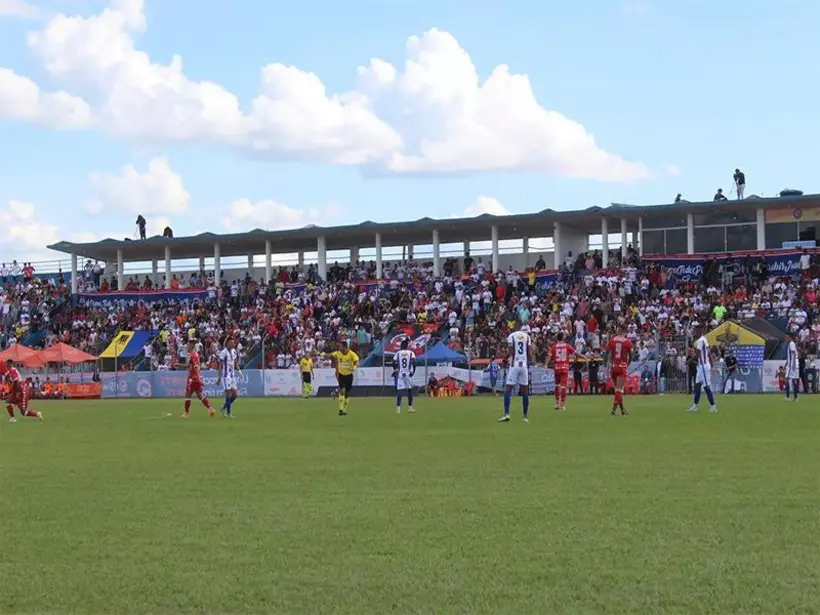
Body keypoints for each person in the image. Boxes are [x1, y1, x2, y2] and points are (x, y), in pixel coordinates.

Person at [498, 325, 532, 422]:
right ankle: (525, 416)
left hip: (514, 365)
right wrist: (527, 361)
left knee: (508, 388)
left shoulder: (512, 336)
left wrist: (505, 359)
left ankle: (506, 414)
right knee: (525, 390)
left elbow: (510, 351)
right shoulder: (527, 337)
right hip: (524, 365)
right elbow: (528, 352)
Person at [687, 328, 718, 413]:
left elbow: (697, 354)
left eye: (695, 331)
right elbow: (709, 354)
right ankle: (695, 406)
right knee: (697, 386)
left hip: (703, 367)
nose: (694, 332)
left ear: (700, 331)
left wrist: (689, 361)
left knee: (706, 386)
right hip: (701, 367)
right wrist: (712, 366)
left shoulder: (700, 341)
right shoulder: (704, 339)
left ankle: (713, 406)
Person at [182, 340, 215, 418]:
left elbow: (195, 368)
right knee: (200, 395)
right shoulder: (195, 355)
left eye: (188, 345)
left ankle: (186, 414)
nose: (187, 347)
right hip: (196, 378)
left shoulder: (193, 355)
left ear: (191, 346)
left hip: (192, 379)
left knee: (187, 396)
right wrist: (179, 365)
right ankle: (211, 409)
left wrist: (198, 378)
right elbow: (188, 366)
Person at [326, 341, 358, 416]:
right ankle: (340, 409)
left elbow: (356, 361)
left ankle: (344, 409)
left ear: (345, 347)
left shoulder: (351, 354)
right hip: (341, 375)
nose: (339, 348)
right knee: (342, 391)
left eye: (340, 346)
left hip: (349, 376)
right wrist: (323, 354)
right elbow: (330, 355)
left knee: (347, 394)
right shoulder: (338, 353)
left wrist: (354, 367)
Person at [548, 331, 575, 412]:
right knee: (563, 386)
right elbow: (574, 353)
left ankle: (556, 403)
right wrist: (580, 358)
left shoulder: (554, 346)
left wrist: (546, 364)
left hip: (556, 368)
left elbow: (549, 356)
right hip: (564, 368)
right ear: (563, 338)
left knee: (556, 385)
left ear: (557, 338)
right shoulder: (567, 346)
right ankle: (562, 404)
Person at [607, 331, 632, 416]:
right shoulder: (627, 342)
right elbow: (631, 356)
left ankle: (622, 410)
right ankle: (613, 410)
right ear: (624, 332)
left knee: (617, 389)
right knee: (618, 390)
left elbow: (607, 353)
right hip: (621, 368)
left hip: (613, 367)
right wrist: (627, 365)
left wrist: (608, 363)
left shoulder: (612, 340)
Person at [217, 337, 240, 417]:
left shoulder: (234, 351)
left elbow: (235, 361)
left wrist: (238, 368)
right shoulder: (223, 352)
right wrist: (219, 376)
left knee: (235, 394)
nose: (233, 344)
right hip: (226, 376)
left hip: (232, 375)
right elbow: (220, 364)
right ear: (228, 343)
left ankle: (223, 408)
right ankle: (229, 413)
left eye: (234, 343)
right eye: (232, 343)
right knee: (228, 394)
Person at [393, 338, 416, 414]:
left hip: (400, 373)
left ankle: (398, 409)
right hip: (408, 374)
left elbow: (394, 361)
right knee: (409, 390)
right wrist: (413, 371)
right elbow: (414, 362)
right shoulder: (411, 353)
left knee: (400, 390)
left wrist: (395, 368)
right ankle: (410, 408)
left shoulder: (398, 353)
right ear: (407, 346)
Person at [785, 334, 800, 401]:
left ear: (789, 337)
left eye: (786, 337)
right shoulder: (792, 344)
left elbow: (793, 353)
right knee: (794, 380)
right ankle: (795, 397)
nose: (785, 338)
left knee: (787, 379)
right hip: (794, 363)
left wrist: (793, 364)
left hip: (792, 364)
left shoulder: (791, 344)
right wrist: (786, 364)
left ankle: (788, 397)